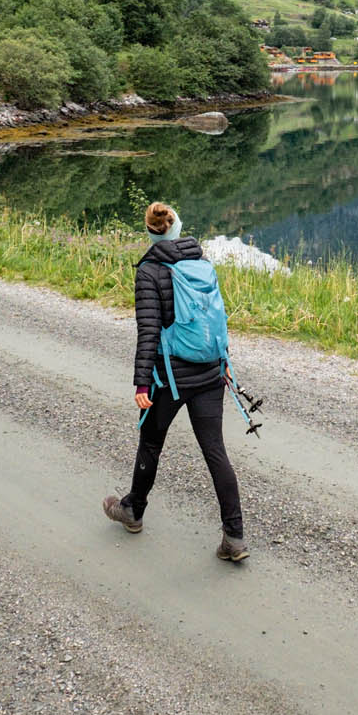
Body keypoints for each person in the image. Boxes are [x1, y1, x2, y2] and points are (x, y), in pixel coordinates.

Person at [103, 202, 248, 562]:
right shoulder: (202, 263)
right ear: (178, 227)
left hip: (169, 377)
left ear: (151, 232)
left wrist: (140, 385)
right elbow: (217, 317)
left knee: (151, 442)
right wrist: (225, 362)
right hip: (210, 370)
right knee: (216, 451)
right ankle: (235, 538)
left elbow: (148, 332)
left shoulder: (150, 271)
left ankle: (133, 511)